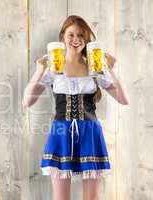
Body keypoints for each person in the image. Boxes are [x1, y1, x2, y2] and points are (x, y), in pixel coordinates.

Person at [22, 15, 128, 200]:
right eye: (71, 34)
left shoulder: (95, 67)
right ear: (63, 37)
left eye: (81, 35)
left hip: (90, 133)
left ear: (87, 40)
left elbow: (123, 99)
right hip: (61, 132)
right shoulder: (55, 68)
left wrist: (111, 69)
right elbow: (27, 102)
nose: (76, 39)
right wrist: (39, 70)